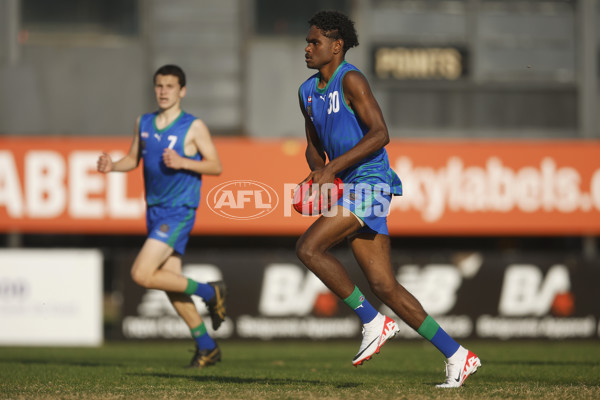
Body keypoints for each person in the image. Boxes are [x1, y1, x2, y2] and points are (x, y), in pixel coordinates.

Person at [295, 11, 481, 388]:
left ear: (337, 46)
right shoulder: (305, 92)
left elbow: (381, 134)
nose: (307, 47)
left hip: (373, 182)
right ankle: (458, 355)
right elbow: (314, 148)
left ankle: (372, 322)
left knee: (309, 248)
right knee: (384, 286)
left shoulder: (352, 79)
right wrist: (320, 173)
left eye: (315, 42)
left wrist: (333, 171)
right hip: (350, 184)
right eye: (308, 41)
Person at [97, 64, 226, 369]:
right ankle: (207, 347)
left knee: (141, 274)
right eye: (159, 86)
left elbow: (216, 166)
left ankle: (211, 291)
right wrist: (112, 165)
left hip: (179, 210)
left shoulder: (193, 127)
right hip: (154, 210)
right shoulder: (143, 122)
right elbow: (132, 158)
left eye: (170, 86)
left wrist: (183, 161)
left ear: (182, 91)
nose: (164, 91)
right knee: (171, 283)